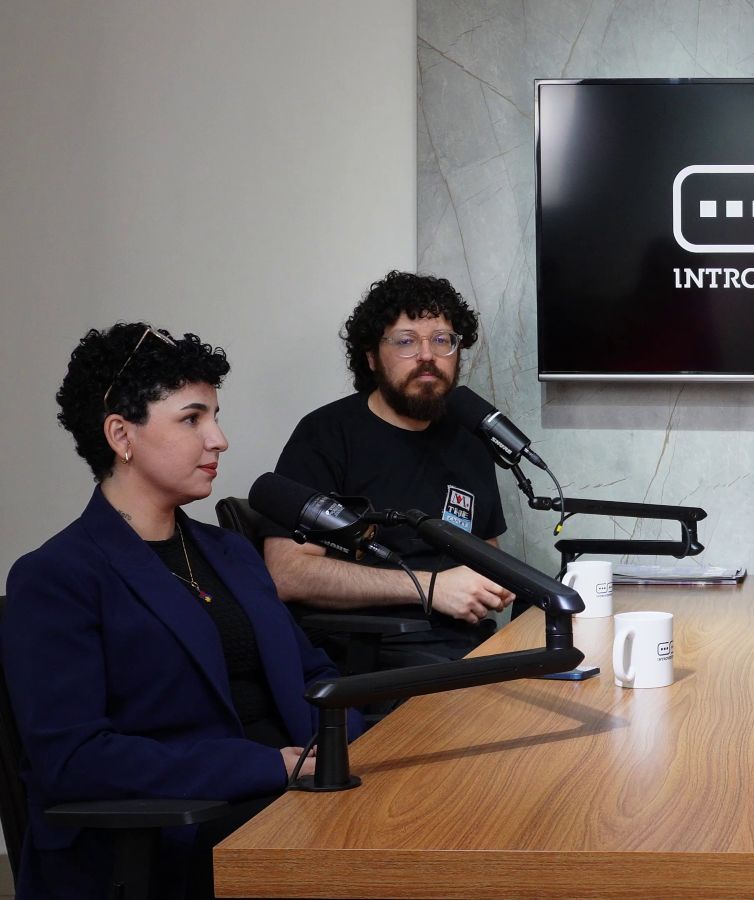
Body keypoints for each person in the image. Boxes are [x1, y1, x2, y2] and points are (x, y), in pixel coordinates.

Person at [2, 323, 361, 899]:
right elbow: (74, 758)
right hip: (178, 829)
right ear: (121, 434)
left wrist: (347, 746)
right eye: (192, 419)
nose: (219, 439)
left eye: (214, 416)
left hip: (297, 795)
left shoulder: (230, 552)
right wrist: (273, 766)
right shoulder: (56, 577)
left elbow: (315, 675)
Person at [263, 271, 512, 666]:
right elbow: (288, 574)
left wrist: (498, 585)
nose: (427, 355)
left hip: (466, 643)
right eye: (406, 341)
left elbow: (486, 552)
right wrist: (429, 588)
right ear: (371, 357)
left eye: (442, 340)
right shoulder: (326, 434)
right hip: (371, 654)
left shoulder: (468, 438)